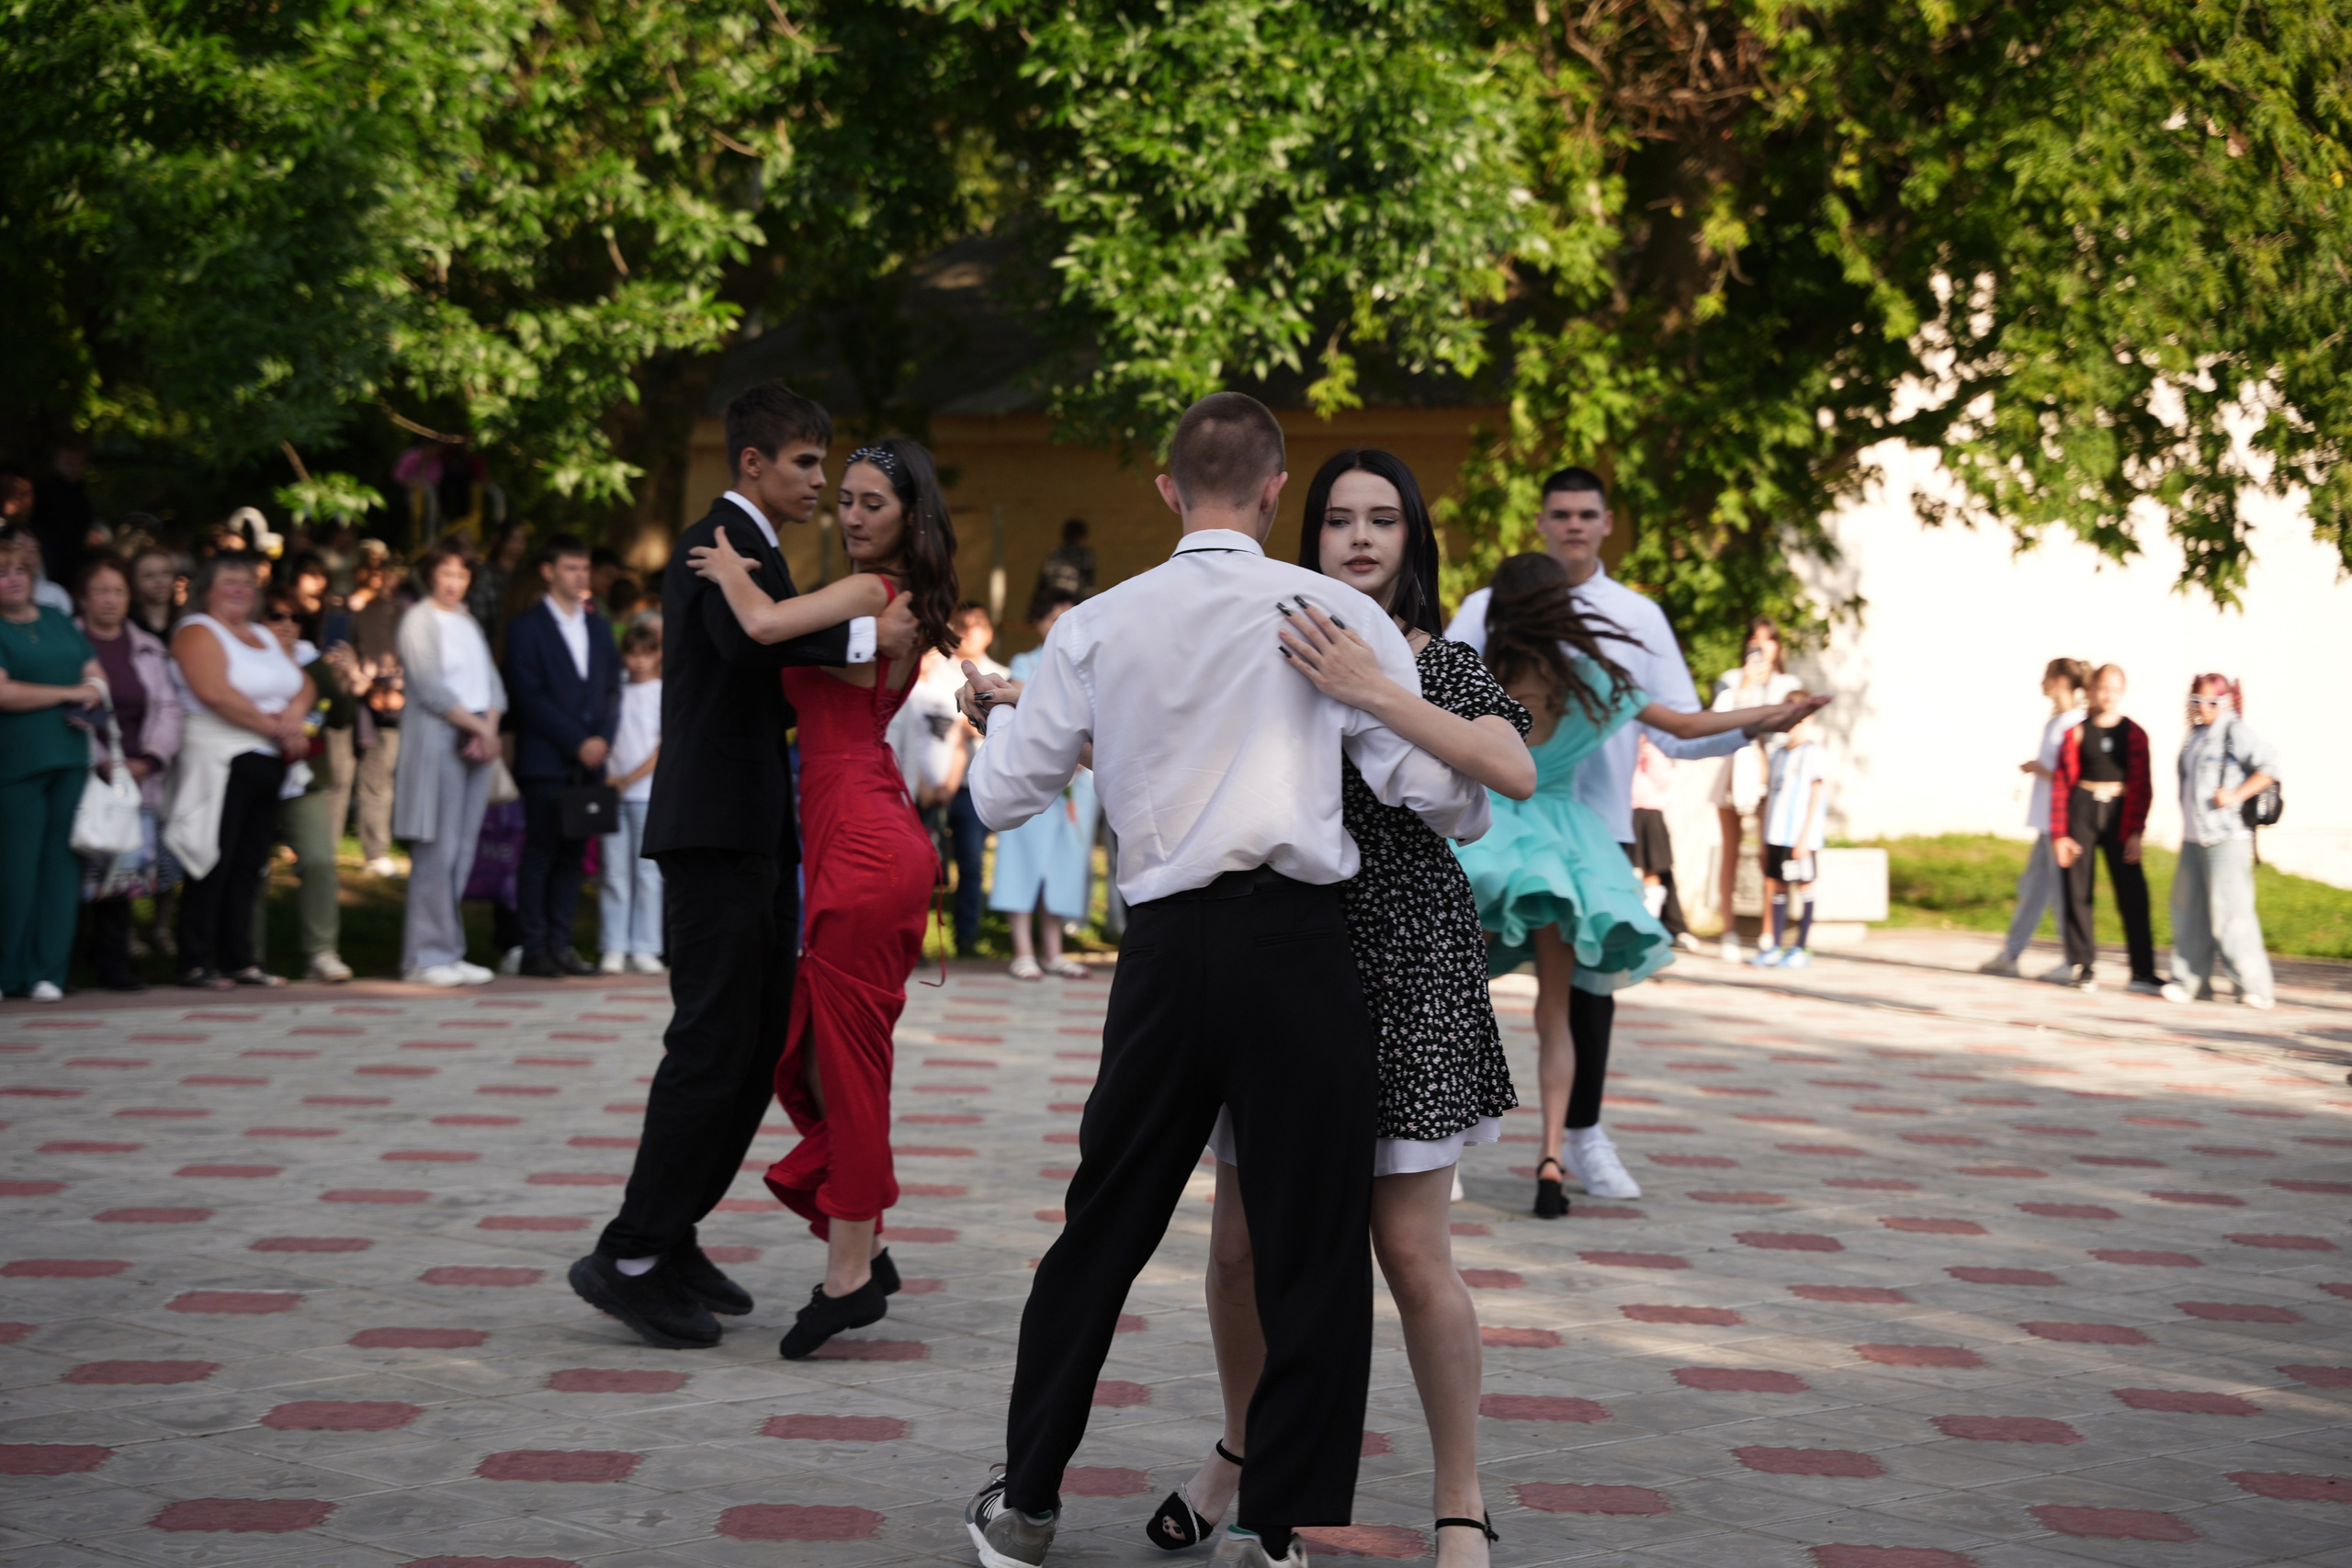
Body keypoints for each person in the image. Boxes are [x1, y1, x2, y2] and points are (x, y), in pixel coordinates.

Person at [957, 394, 1491, 1568]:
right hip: (1302, 951)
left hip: (1164, 957)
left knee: (1102, 1229)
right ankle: (1276, 1523)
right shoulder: (1333, 611)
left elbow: (1000, 798)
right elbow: (1444, 795)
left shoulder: (1094, 627)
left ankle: (1028, 1504)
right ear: (1270, 492)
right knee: (1311, 1243)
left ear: (1165, 490)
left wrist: (1001, 720)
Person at [1148, 448, 1536, 1568]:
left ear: (1412, 539)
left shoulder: (1430, 659)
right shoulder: (1265, 641)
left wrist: (1372, 689)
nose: (1360, 539)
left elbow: (1510, 771)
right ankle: (1241, 1452)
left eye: (1383, 521)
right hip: (1273, 966)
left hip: (1408, 970)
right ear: (1299, 533)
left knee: (1412, 1253)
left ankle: (1460, 1499)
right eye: (1337, 522)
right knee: (1236, 1253)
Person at [569, 381, 915, 1353]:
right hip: (712, 830)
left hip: (754, 833)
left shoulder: (756, 554)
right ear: (754, 463)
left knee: (753, 1045)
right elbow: (741, 639)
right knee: (713, 1042)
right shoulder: (717, 541)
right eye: (809, 464)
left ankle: (668, 1236)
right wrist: (864, 633)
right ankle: (631, 1251)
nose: (823, 483)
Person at [687, 435, 956, 1358]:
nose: (849, 515)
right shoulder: (890, 595)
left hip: (865, 845)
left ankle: (847, 1274)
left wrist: (727, 563)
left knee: (842, 1066)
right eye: (842, 498)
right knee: (813, 1061)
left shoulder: (873, 592)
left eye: (871, 503)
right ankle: (864, 1246)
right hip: (854, 832)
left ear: (910, 516)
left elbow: (762, 627)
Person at [1453, 554, 1822, 1216]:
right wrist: (1771, 713)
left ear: (1502, 608)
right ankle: (1551, 1159)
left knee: (1452, 996)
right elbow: (1683, 726)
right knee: (1556, 1014)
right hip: (1567, 843)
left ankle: (1440, 1149)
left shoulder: (1478, 677)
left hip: (1489, 838)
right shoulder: (1592, 680)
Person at [164, 552, 313, 990]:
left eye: (247, 582)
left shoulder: (264, 635)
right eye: (229, 581)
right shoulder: (197, 631)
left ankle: (239, 958)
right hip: (220, 758)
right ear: (206, 588)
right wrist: (278, 729)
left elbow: (303, 683)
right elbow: (215, 693)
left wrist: (293, 718)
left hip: (267, 760)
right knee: (213, 857)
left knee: (249, 865)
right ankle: (193, 959)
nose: (239, 589)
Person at [504, 534, 621, 978]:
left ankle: (562, 942)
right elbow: (529, 695)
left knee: (575, 855)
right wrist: (577, 741)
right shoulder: (526, 628)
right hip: (547, 759)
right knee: (541, 852)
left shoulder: (598, 626)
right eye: (571, 568)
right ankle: (534, 947)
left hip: (592, 760)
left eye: (585, 568)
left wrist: (602, 739)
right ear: (548, 571)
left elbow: (612, 688)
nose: (580, 576)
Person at [0, 531, 108, 1000]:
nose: (12, 579)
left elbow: (95, 673)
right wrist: (68, 694)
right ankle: (8, 972)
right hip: (17, 763)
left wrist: (90, 689)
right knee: (14, 871)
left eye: (20, 570)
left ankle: (49, 971)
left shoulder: (59, 619)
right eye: (1, 573)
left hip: (70, 757)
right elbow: (4, 692)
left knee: (62, 868)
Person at [390, 545, 504, 987]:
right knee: (436, 850)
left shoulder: (468, 620)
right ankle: (423, 955)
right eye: (446, 573)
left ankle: (449, 950)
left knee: (461, 849)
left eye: (462, 573)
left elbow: (492, 682)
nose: (455, 581)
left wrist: (488, 726)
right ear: (430, 576)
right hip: (441, 739)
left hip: (475, 740)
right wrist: (480, 728)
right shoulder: (419, 620)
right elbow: (431, 688)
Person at [74, 555, 185, 991]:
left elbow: (168, 708)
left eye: (118, 591)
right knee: (79, 868)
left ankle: (115, 964)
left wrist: (151, 759)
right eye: (100, 591)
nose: (110, 600)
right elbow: (73, 710)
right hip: (89, 774)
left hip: (140, 777)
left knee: (124, 874)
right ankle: (63, 959)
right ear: (82, 598)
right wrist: (103, 761)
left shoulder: (148, 647)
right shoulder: (71, 645)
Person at [989, 587, 1097, 980]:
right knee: (1023, 858)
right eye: (1052, 617)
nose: (1059, 625)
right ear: (1037, 623)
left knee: (1065, 862)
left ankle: (1054, 950)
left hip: (1078, 780)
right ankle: (1023, 950)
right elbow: (1020, 718)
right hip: (1034, 778)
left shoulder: (1090, 662)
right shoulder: (1024, 662)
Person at [253, 586, 356, 981]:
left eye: (295, 618)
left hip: (307, 777)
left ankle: (322, 952)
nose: (286, 625)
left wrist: (345, 683)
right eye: (275, 615)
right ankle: (248, 955)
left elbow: (341, 718)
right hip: (255, 773)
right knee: (253, 867)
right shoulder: (245, 659)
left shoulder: (315, 664)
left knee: (318, 860)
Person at [2163, 675, 2281, 1010]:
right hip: (2194, 836)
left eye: (2212, 702)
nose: (2203, 708)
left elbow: (2269, 766)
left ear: (2227, 703)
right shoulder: (2196, 735)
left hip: (2226, 836)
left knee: (2232, 913)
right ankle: (2190, 982)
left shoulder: (2234, 731)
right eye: (2197, 701)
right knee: (2189, 911)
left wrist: (2234, 795)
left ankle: (2254, 988)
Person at [2048, 663, 2157, 994]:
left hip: (2119, 813)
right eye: (2102, 688)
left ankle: (2142, 972)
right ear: (2091, 691)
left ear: (2122, 692)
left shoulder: (2134, 733)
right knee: (2078, 890)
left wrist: (2136, 832)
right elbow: (2062, 785)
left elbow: (2142, 786)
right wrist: (2059, 834)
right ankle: (2084, 966)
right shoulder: (2076, 733)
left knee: (2133, 893)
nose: (2108, 695)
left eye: (2114, 689)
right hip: (2083, 809)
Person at [1978, 659, 2091, 977]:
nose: (2042, 683)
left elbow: (2075, 773)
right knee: (2033, 889)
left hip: (2062, 823)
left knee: (2062, 893)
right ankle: (2011, 954)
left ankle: (2074, 961)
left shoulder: (2076, 722)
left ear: (2058, 681)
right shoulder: (2056, 721)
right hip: (2045, 821)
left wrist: (2039, 769)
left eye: (2046, 678)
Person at [1706, 618, 1802, 961]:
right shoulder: (1730, 681)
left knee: (1767, 851)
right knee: (1730, 850)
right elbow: (1718, 720)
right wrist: (1746, 686)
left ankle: (1768, 930)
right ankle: (1728, 928)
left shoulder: (1787, 684)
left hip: (1771, 775)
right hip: (1735, 771)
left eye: (1769, 641)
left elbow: (1792, 726)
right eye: (1755, 641)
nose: (1762, 648)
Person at [599, 621, 666, 975]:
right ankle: (613, 945)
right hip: (614, 793)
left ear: (658, 655)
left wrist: (628, 779)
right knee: (613, 872)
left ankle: (645, 946)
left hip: (645, 793)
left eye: (647, 653)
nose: (639, 661)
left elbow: (662, 745)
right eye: (633, 654)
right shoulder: (616, 691)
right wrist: (611, 777)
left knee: (648, 873)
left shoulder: (662, 692)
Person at [943, 603, 1007, 955]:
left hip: (973, 787)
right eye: (961, 624)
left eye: (977, 624)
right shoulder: (932, 668)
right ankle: (916, 938)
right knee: (926, 866)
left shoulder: (1003, 674)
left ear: (990, 632)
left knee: (970, 864)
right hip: (931, 784)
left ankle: (965, 939)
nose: (969, 630)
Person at [345, 542, 409, 875]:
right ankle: (321, 851)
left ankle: (375, 852)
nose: (380, 575)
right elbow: (340, 652)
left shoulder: (401, 611)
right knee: (338, 779)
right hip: (349, 700)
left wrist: (397, 690)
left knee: (379, 778)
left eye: (384, 568)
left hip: (390, 703)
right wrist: (366, 685)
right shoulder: (348, 608)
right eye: (371, 567)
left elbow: (409, 659)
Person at [1750, 694, 1826, 968]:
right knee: (1777, 886)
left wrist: (1805, 838)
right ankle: (1775, 946)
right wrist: (1762, 839)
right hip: (1776, 835)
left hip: (1799, 836)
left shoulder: (1814, 753)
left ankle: (1801, 947)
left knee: (1804, 885)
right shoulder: (1778, 754)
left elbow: (1816, 797)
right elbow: (1769, 797)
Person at [1627, 735, 1692, 945]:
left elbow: (1662, 778)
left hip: (1649, 811)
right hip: (1625, 809)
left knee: (1652, 869)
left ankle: (1649, 925)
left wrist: (1648, 749)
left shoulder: (1655, 746)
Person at [1036, 516, 1097, 601]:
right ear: (1082, 537)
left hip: (1051, 602)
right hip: (1071, 600)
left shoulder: (1055, 553)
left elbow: (1043, 583)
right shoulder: (1084, 555)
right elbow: (1087, 586)